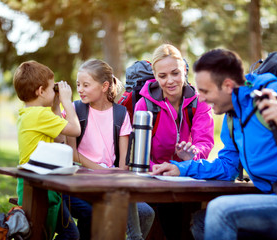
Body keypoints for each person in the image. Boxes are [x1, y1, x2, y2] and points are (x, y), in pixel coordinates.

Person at [151, 49, 277, 240]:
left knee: (220, 212)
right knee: (202, 222)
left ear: (226, 85)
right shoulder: (232, 118)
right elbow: (227, 168)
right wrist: (181, 168)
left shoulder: (273, 92)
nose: (200, 98)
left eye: (205, 91)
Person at [64, 59, 155, 240]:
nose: (80, 89)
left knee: (147, 212)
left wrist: (115, 175)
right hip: (81, 180)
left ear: (104, 86)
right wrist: (103, 171)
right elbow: (72, 152)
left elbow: (122, 165)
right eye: (78, 85)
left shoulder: (121, 114)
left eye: (86, 85)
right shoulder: (75, 109)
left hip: (110, 183)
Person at [134, 44, 214, 240]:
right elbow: (138, 150)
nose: (170, 81)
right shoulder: (145, 104)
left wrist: (192, 154)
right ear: (155, 76)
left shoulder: (199, 102)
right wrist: (157, 168)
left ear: (184, 70)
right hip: (155, 178)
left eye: (175, 73)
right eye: (162, 76)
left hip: (187, 174)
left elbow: (205, 141)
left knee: (189, 224)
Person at [13, 60, 81, 239]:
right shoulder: (40, 114)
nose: (55, 92)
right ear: (41, 91)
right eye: (52, 89)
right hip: (40, 188)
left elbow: (60, 139)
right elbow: (75, 129)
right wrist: (67, 102)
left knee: (65, 234)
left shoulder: (29, 113)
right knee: (46, 235)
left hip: (35, 184)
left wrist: (56, 105)